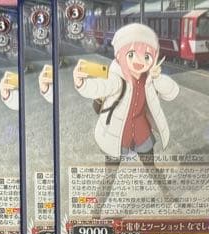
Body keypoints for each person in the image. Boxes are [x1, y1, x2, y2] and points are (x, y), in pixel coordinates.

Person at [73, 23, 179, 203]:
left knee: (151, 167)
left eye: (147, 56)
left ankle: (167, 195)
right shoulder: (116, 78)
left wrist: (158, 77)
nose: (139, 61)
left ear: (153, 59)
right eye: (131, 54)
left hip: (141, 132)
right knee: (110, 176)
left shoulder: (150, 79)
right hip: (116, 134)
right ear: (120, 55)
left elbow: (172, 92)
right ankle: (96, 213)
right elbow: (99, 86)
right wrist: (81, 83)